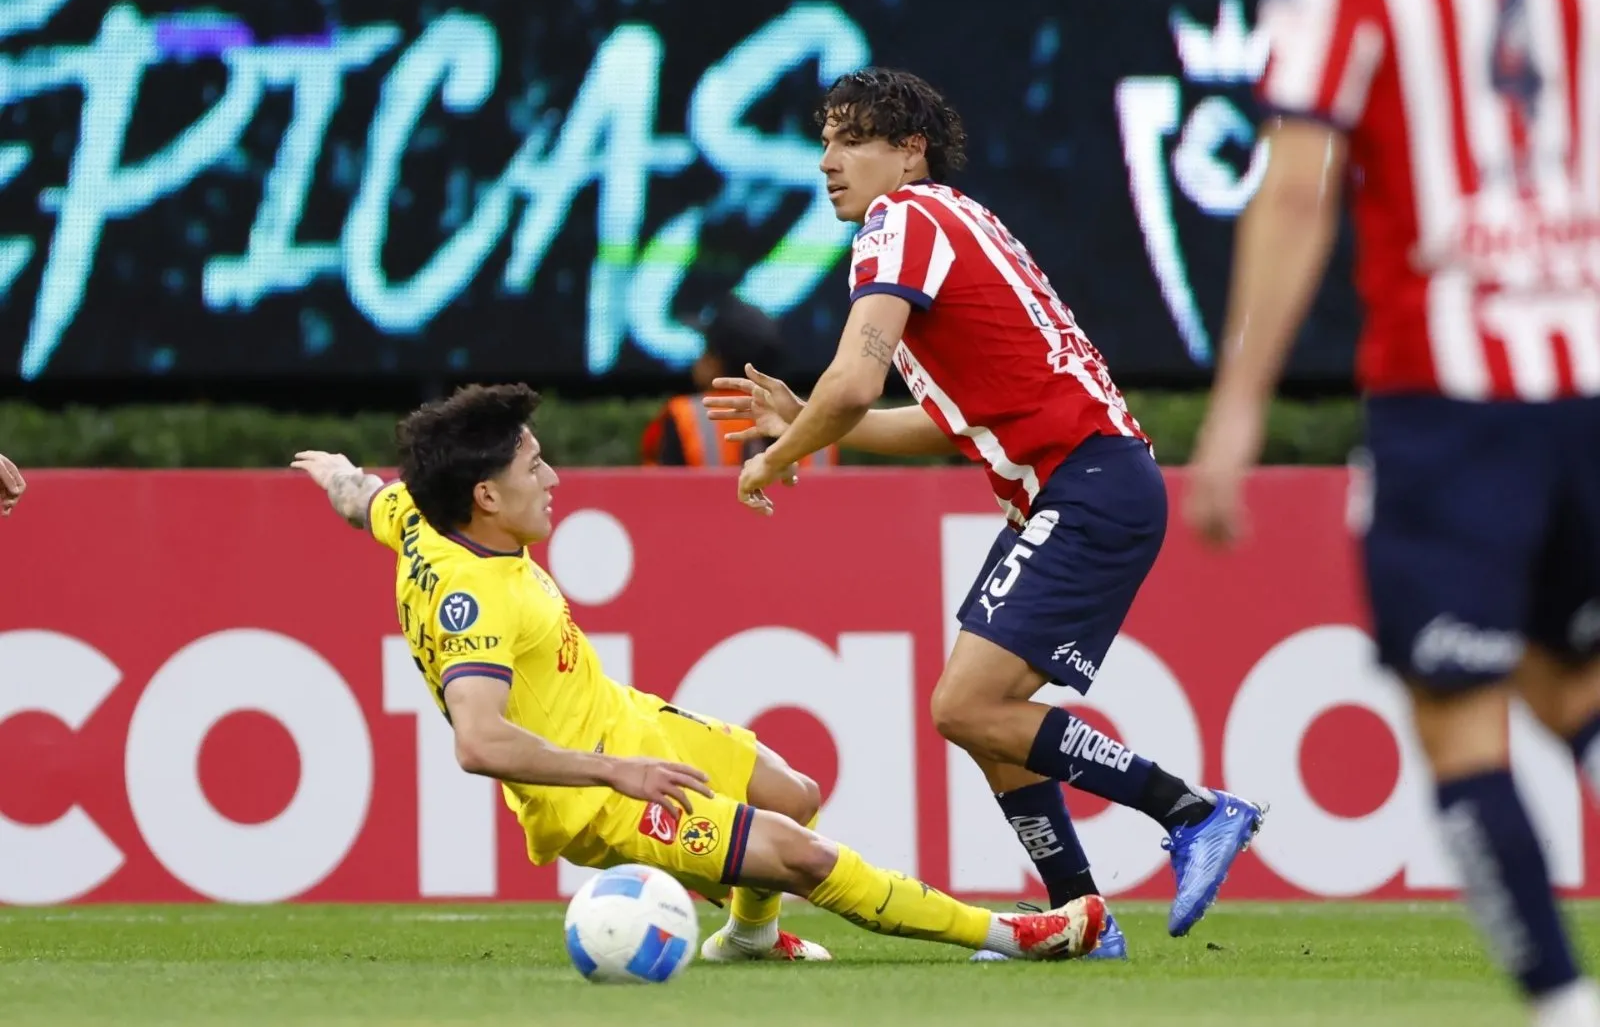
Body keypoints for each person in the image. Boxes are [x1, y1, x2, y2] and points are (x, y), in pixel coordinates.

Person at [711, 66, 1264, 960]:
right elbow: (945, 424)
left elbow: (853, 381)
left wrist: (779, 451)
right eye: (824, 141)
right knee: (988, 718)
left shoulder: (902, 220)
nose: (827, 162)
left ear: (908, 151)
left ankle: (1194, 811)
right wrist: (809, 424)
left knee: (964, 705)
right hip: (1083, 483)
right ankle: (1081, 914)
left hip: (1085, 484)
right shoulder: (952, 220)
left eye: (851, 140)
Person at [290, 382, 1105, 965]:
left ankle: (747, 938)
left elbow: (365, 499)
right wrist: (621, 772)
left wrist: (334, 471)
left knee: (792, 792)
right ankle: (1012, 935)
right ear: (485, 497)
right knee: (805, 857)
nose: (553, 479)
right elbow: (479, 739)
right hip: (599, 795)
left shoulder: (422, 518)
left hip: (626, 722)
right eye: (533, 467)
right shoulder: (473, 595)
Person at [1185, 0, 1600, 1023]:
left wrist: (1235, 408)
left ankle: (1561, 1004)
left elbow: (1293, 186)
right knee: (1571, 694)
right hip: (1586, 382)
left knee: (1458, 719)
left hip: (1451, 400)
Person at [640, 294, 837, 470]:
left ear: (716, 362)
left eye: (705, 348)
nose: (699, 359)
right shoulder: (815, 420)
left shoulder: (687, 416)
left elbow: (662, 494)